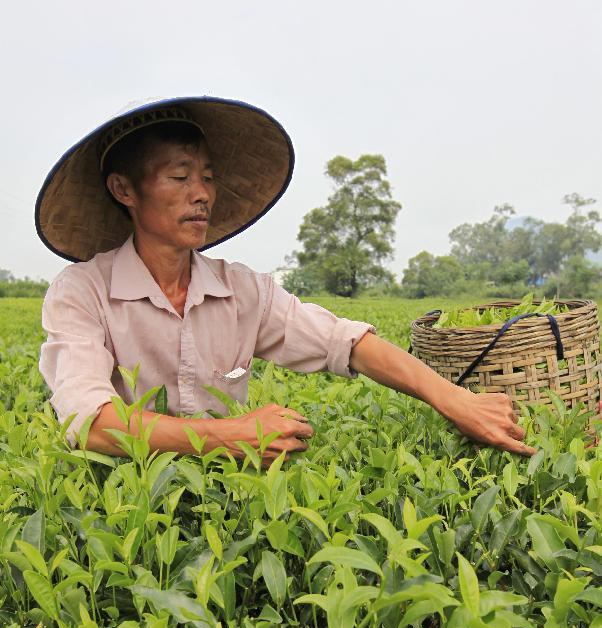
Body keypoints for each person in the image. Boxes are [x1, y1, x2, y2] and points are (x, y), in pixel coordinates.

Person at [36, 96, 535, 466]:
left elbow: (347, 342)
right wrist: (230, 434)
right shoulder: (82, 292)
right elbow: (91, 423)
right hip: (127, 503)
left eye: (207, 177)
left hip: (230, 494)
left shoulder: (243, 291)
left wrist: (456, 399)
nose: (202, 194)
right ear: (124, 189)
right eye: (179, 177)